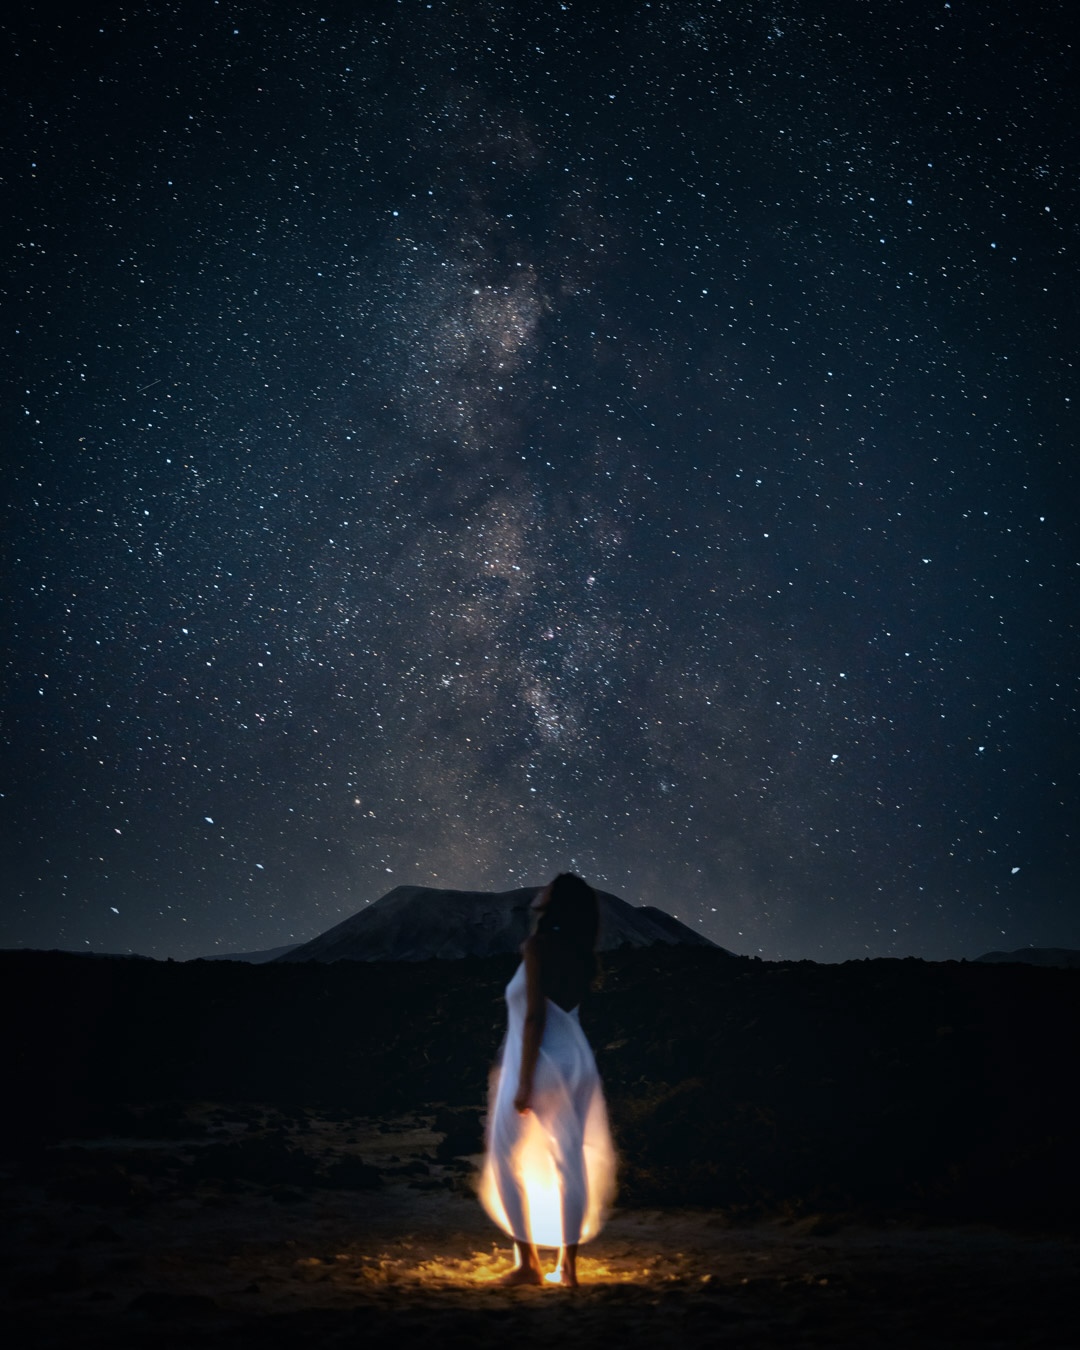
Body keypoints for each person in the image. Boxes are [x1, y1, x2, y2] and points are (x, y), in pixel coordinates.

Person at [479, 873, 616, 1287]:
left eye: (548, 887)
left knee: (506, 1155)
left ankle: (528, 1266)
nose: (539, 891)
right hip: (577, 1060)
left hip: (540, 1063)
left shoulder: (536, 946)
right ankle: (569, 1271)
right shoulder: (579, 953)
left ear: (555, 901)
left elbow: (535, 1016)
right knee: (569, 1159)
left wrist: (522, 1083)